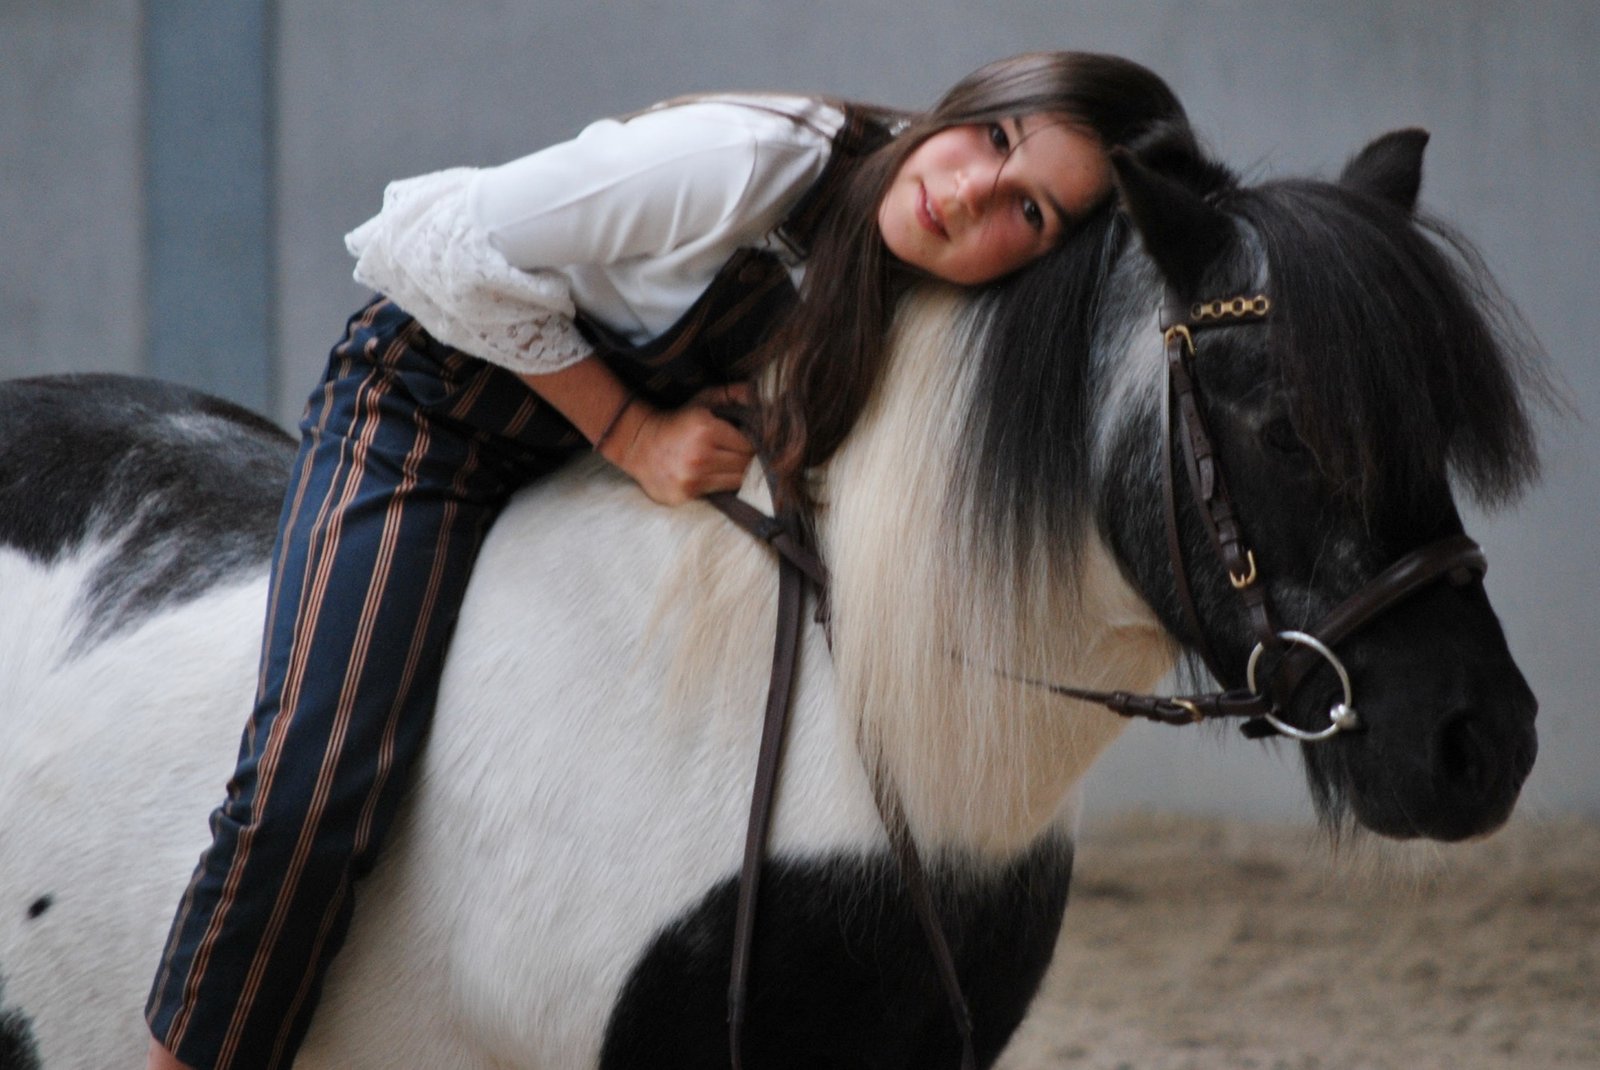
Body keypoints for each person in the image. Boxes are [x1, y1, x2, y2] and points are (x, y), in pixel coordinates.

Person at [144, 50, 1191, 1069]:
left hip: (586, 458)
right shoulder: (745, 158)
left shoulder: (926, 285)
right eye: (993, 138)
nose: (966, 194)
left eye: (1030, 212)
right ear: (968, 100)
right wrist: (631, 435)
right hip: (427, 423)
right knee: (316, 777)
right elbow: (428, 236)